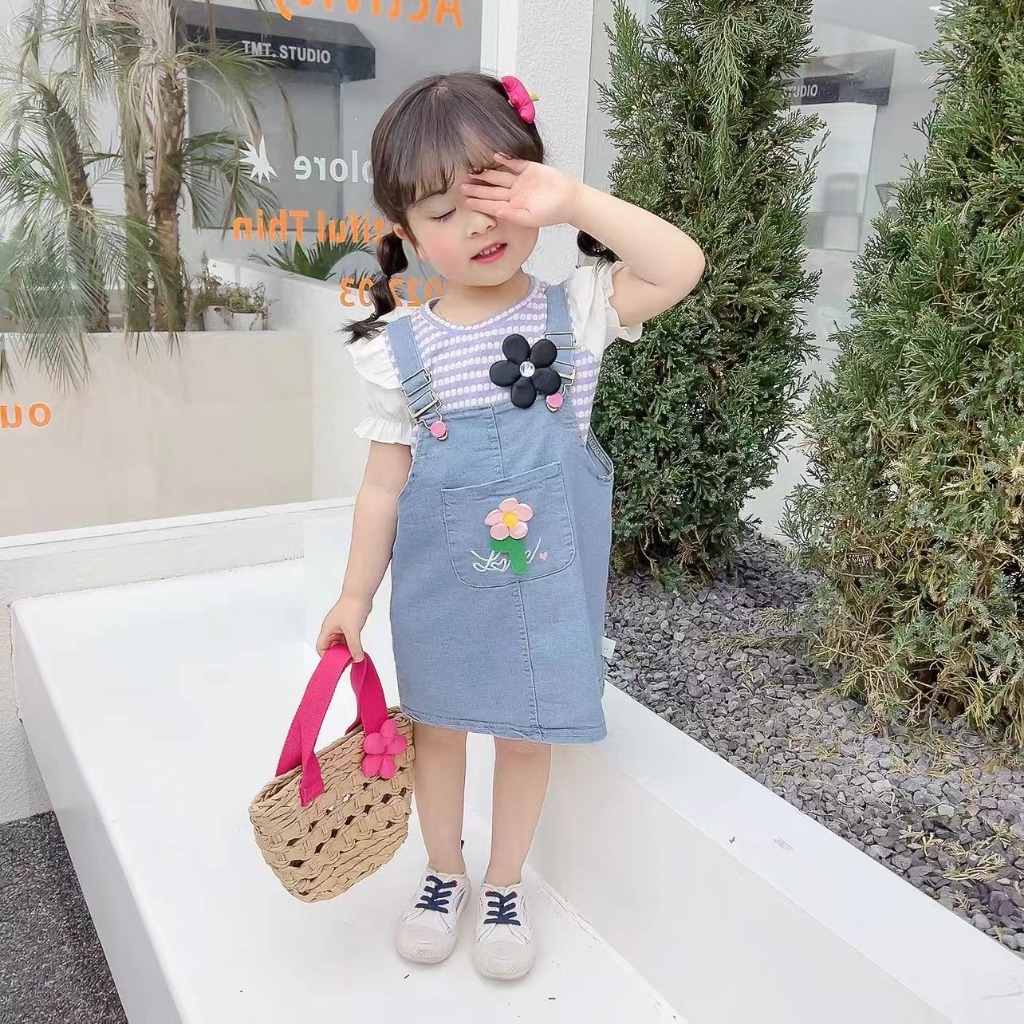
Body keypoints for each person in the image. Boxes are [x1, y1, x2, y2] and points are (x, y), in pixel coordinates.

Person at [316, 70, 705, 981]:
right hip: (442, 597)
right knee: (440, 733)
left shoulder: (578, 312)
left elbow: (680, 266)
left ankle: (503, 886)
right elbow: (382, 491)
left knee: (526, 740)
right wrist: (352, 596)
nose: (478, 224)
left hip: (544, 601)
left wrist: (574, 201)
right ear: (405, 231)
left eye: (497, 192)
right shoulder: (396, 350)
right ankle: (442, 873)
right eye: (444, 211)